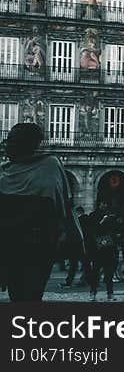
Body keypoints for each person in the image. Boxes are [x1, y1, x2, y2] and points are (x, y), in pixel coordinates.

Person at [0, 123, 81, 302]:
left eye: (11, 140)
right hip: (10, 246)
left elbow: (59, 205)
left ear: (26, 143)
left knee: (29, 296)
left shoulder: (49, 165)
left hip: (37, 245)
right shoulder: (4, 170)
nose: (6, 143)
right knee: (18, 296)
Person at [85, 200, 120, 301]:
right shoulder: (93, 215)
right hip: (97, 249)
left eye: (106, 203)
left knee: (109, 273)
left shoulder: (110, 216)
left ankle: (110, 293)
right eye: (103, 203)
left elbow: (115, 229)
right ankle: (93, 293)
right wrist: (102, 221)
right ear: (99, 204)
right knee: (95, 272)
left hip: (109, 248)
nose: (104, 205)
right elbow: (91, 230)